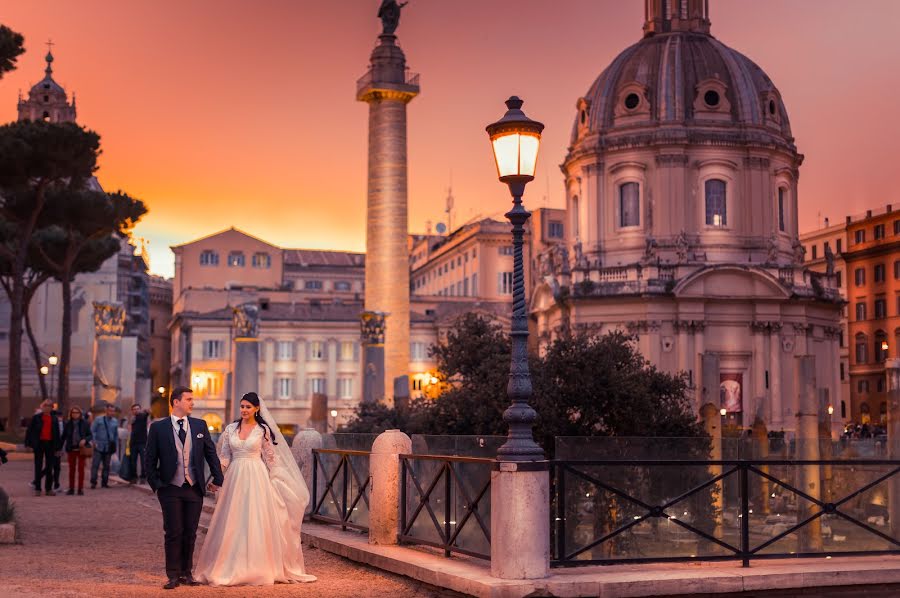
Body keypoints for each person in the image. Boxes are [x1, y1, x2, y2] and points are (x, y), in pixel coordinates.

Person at [196, 392, 316, 586]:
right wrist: (218, 478)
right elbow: (225, 457)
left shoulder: (263, 430)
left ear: (256, 409)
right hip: (235, 476)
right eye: (242, 406)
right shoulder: (230, 429)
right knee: (233, 519)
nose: (244, 410)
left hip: (256, 476)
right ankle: (229, 563)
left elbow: (271, 458)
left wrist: (278, 479)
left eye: (248, 407)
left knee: (254, 519)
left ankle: (257, 566)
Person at [145, 387, 223, 590]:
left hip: (193, 488)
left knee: (190, 532)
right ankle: (172, 575)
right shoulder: (158, 428)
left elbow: (210, 453)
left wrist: (218, 477)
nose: (192, 403)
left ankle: (186, 573)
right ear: (176, 402)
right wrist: (157, 485)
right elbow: (150, 459)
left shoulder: (199, 425)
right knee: (173, 531)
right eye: (189, 399)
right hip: (170, 488)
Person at [24, 400, 61, 496]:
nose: (47, 407)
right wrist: (28, 444)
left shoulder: (54, 419)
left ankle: (48, 489)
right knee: (38, 466)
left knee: (49, 467)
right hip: (39, 444)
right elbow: (29, 432)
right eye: (45, 405)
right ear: (42, 407)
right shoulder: (36, 418)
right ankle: (38, 489)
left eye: (49, 406)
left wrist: (58, 448)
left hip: (50, 444)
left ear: (52, 408)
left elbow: (57, 434)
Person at [61, 406, 92, 495]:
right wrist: (58, 448)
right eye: (73, 413)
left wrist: (85, 440)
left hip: (81, 449)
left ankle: (80, 488)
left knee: (81, 469)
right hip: (71, 449)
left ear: (80, 414)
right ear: (71, 414)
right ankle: (71, 488)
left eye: (77, 413)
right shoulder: (67, 423)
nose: (75, 414)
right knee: (71, 469)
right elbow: (63, 437)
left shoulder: (85, 423)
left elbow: (90, 435)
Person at [90, 403, 119, 489]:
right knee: (95, 465)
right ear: (106, 411)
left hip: (109, 446)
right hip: (99, 445)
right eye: (110, 410)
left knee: (106, 466)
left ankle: (104, 482)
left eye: (113, 411)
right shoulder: (98, 419)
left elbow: (116, 435)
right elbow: (93, 431)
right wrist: (94, 442)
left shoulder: (115, 421)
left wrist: (115, 445)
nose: (112, 412)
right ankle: (93, 482)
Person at [128, 404, 150, 483]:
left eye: (137, 409)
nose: (136, 410)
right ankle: (133, 477)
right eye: (134, 409)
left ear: (140, 409)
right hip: (133, 443)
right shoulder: (132, 419)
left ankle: (143, 478)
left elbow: (146, 414)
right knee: (133, 461)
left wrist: (147, 411)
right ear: (132, 411)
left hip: (142, 443)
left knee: (143, 461)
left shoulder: (142, 416)